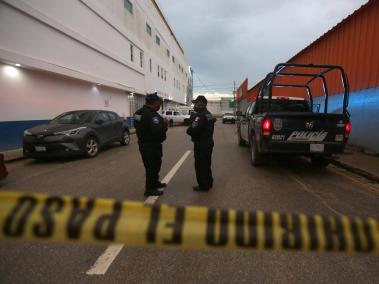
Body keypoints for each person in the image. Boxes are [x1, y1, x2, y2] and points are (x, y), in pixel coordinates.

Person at [134, 92, 168, 197]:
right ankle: (150, 189)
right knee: (153, 167)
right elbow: (158, 131)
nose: (159, 105)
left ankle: (155, 183)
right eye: (159, 103)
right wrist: (164, 124)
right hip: (152, 145)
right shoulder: (152, 114)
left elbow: (137, 125)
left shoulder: (138, 113)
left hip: (143, 143)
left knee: (151, 166)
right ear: (155, 103)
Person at [186, 95, 215, 191]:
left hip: (201, 144)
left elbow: (192, 130)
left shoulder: (200, 116)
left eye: (196, 104)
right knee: (207, 164)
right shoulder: (208, 114)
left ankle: (203, 185)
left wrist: (189, 128)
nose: (194, 106)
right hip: (208, 142)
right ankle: (209, 182)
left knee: (200, 165)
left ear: (201, 105)